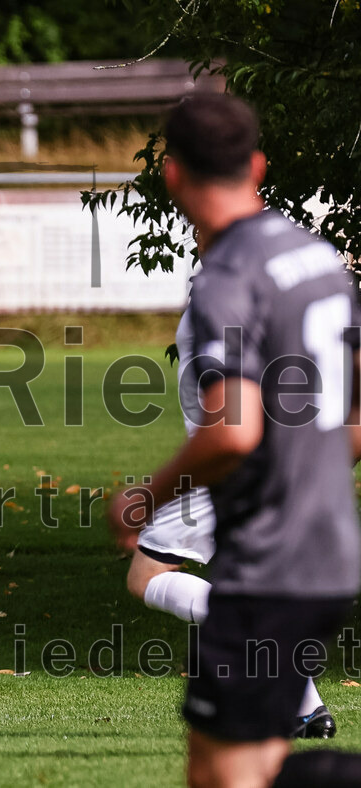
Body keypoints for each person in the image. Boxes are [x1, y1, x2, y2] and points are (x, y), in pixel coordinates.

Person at [109, 93, 361, 787]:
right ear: (257, 164)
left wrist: (145, 493)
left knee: (229, 777)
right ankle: (307, 706)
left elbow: (233, 429)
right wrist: (314, 473)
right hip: (329, 543)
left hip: (265, 555)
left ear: (173, 177)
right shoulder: (318, 261)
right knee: (238, 770)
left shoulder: (225, 276)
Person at [127, 299, 334, 738]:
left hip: (219, 470)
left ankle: (288, 688)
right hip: (282, 466)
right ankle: (308, 708)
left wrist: (153, 492)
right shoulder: (282, 303)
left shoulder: (218, 301)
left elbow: (227, 418)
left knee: (147, 577)